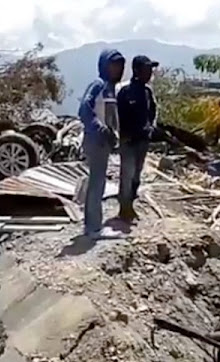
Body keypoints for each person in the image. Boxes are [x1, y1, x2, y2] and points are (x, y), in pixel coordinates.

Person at [78, 49, 126, 239]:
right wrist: (99, 128)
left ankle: (92, 224)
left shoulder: (110, 88)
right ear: (104, 66)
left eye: (120, 66)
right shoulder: (97, 85)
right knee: (97, 184)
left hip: (104, 142)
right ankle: (93, 228)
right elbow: (84, 109)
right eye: (113, 65)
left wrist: (113, 134)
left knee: (97, 182)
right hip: (95, 140)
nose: (117, 69)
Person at [116, 55, 159, 222]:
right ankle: (124, 209)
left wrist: (150, 127)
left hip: (143, 141)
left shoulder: (147, 92)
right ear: (137, 71)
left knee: (136, 175)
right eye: (146, 69)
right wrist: (123, 135)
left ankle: (131, 204)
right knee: (127, 174)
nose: (149, 73)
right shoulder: (125, 92)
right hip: (128, 141)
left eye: (150, 69)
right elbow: (118, 116)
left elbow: (153, 111)